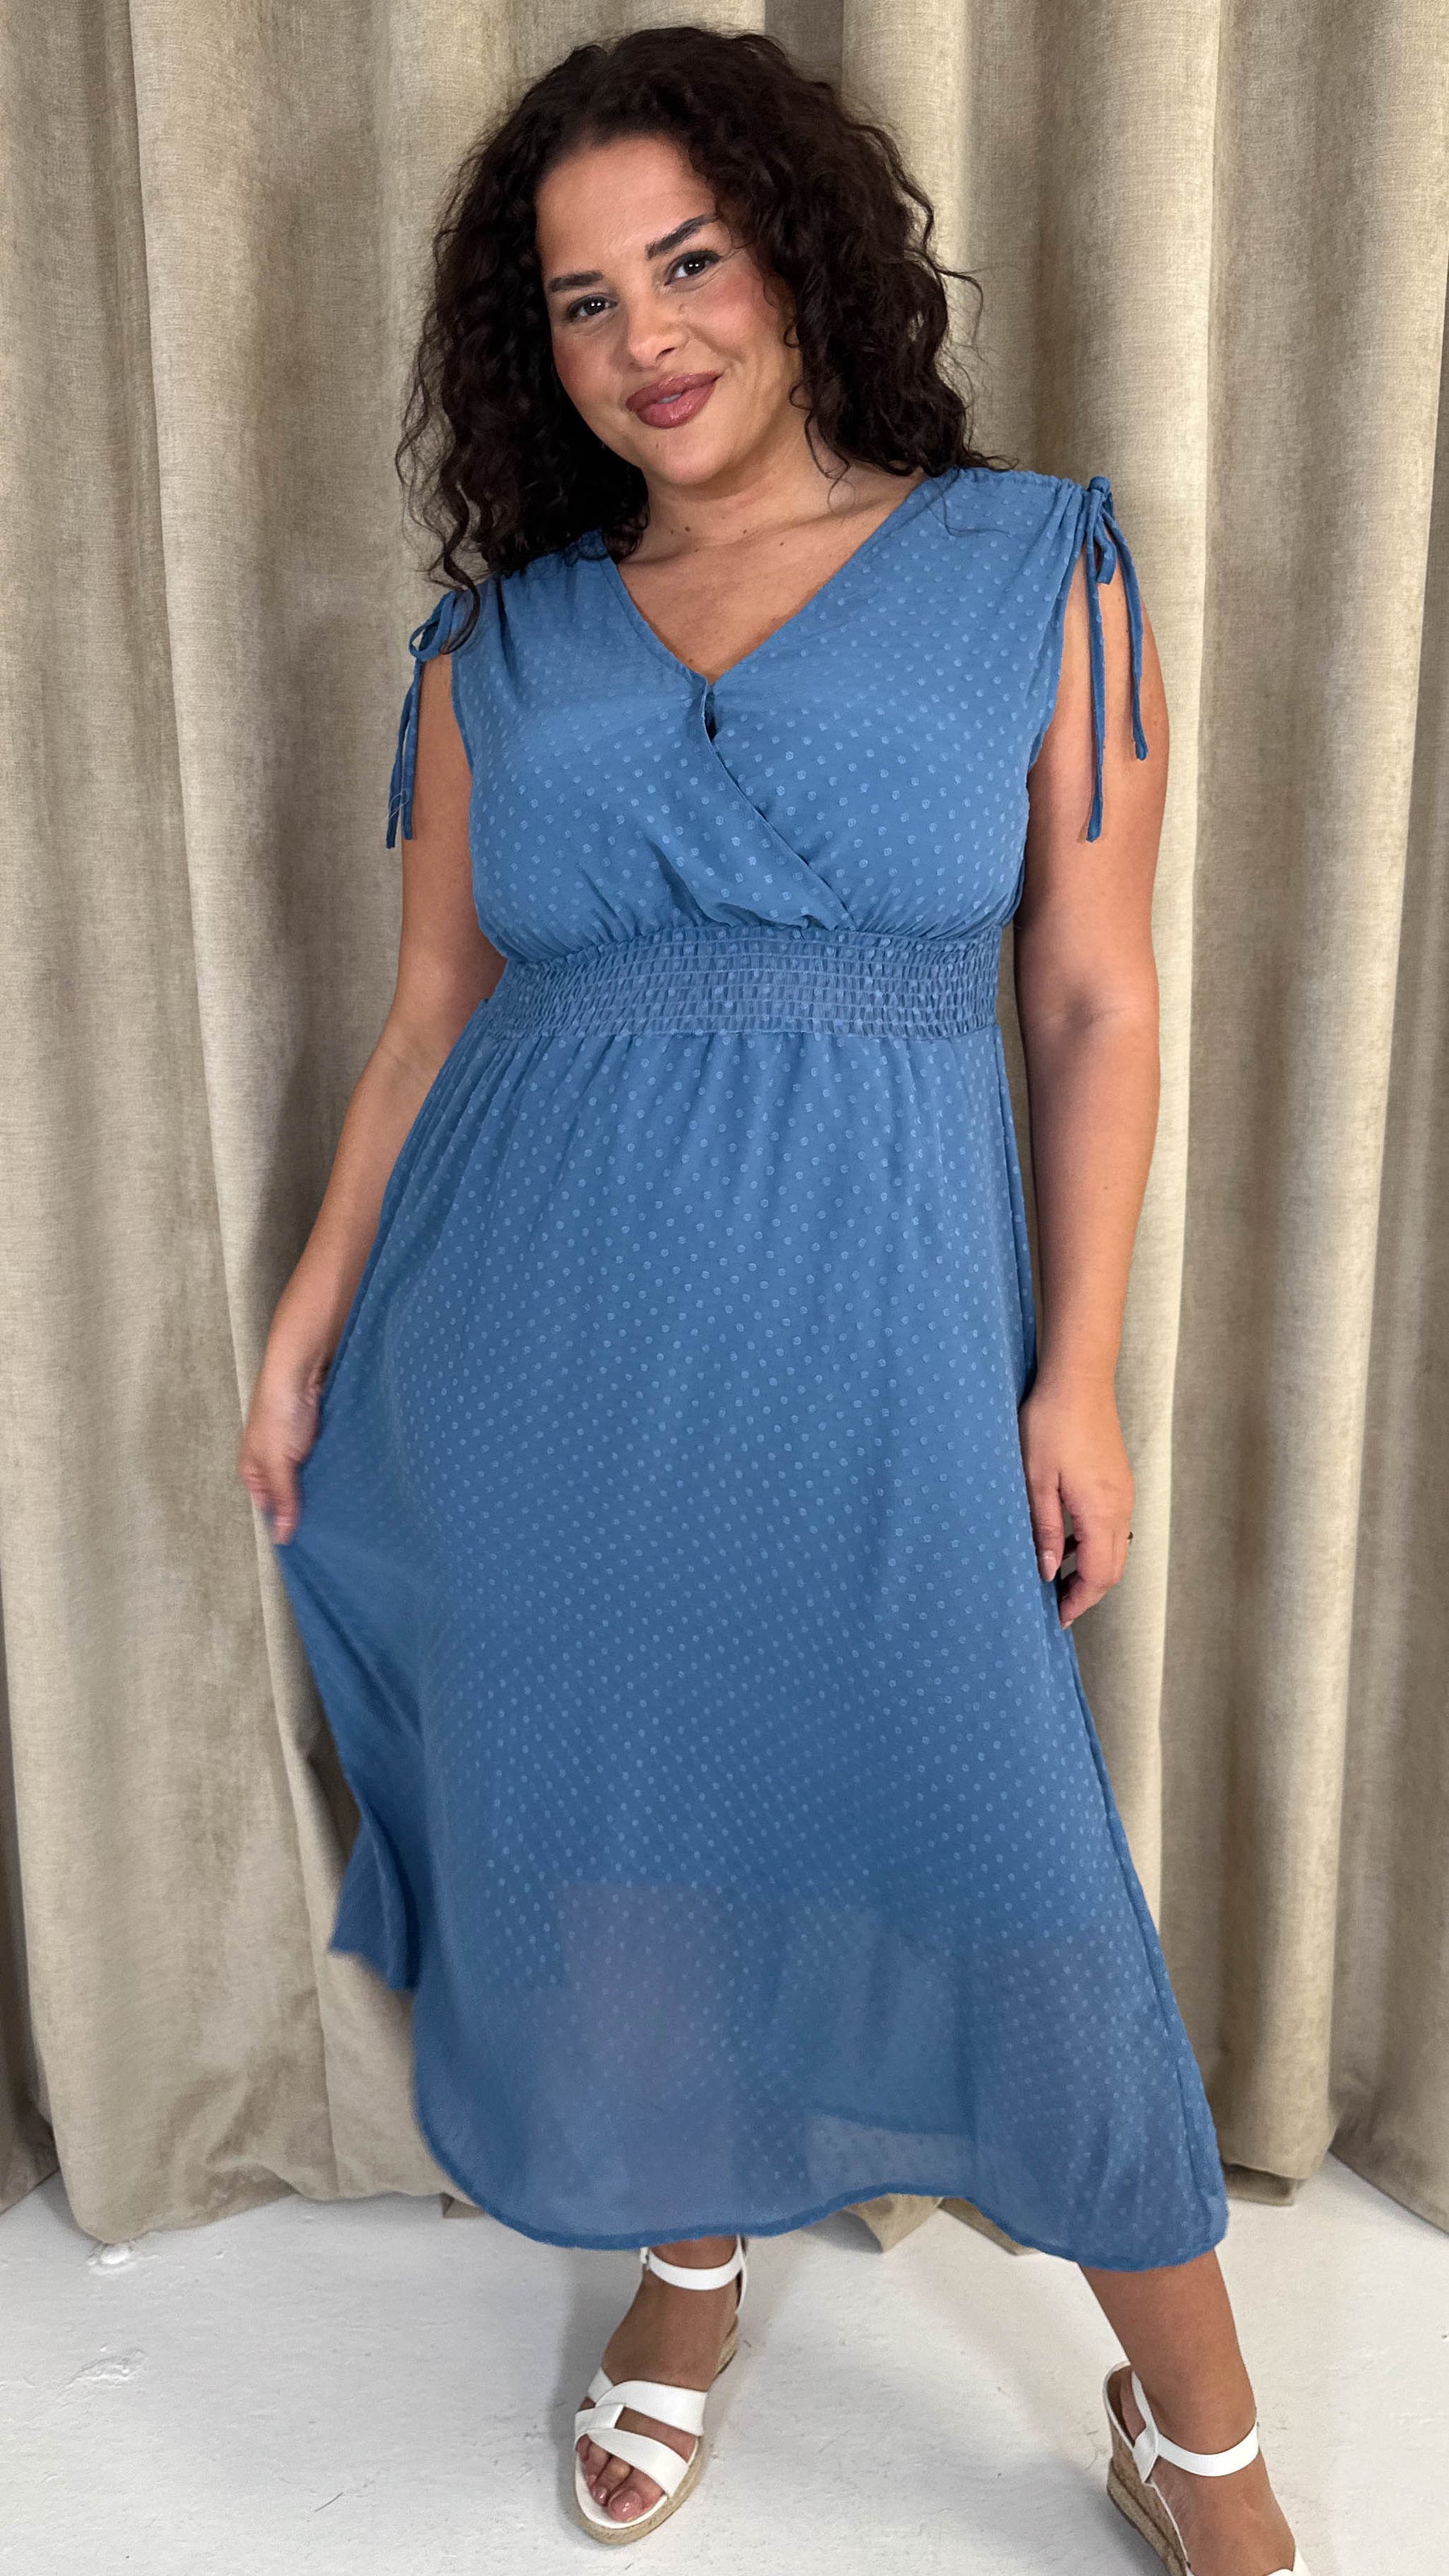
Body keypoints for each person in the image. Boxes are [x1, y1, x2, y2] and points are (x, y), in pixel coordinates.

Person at [239, 27, 1306, 2573]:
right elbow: (430, 1017)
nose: (648, 337)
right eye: (583, 300)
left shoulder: (1035, 568)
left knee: (1009, 1862)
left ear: (804, 256)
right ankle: (689, 2263)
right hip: (540, 1350)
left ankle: (1200, 2433)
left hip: (883, 1341)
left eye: (691, 260)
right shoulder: (494, 648)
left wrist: (1075, 1372)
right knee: (625, 1824)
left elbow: (1095, 997)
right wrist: (306, 1324)